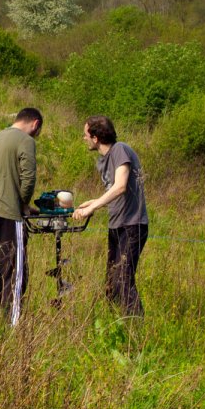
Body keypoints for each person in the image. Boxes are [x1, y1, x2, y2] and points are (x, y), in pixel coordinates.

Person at [72, 116, 149, 317]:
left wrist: (92, 208)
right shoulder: (105, 159)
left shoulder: (120, 150)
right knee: (111, 283)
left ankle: (136, 329)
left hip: (132, 226)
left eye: (85, 135)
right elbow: (114, 190)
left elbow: (121, 186)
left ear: (95, 138)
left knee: (123, 279)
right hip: (117, 225)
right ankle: (113, 322)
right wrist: (94, 202)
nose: (84, 139)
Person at [0, 108, 43, 325]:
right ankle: (12, 327)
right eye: (37, 131)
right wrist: (24, 204)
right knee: (15, 274)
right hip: (8, 213)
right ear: (35, 124)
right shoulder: (26, 140)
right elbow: (28, 177)